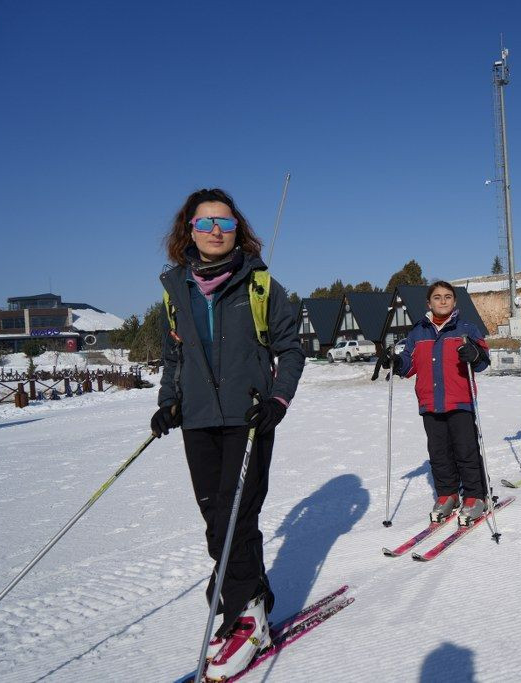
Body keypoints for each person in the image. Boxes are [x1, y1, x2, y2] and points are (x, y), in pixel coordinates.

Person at [150, 188, 305, 681]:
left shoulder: (260, 284)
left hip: (248, 416)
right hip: (197, 418)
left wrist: (278, 398)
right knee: (215, 516)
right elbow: (174, 356)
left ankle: (245, 611)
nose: (215, 230)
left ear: (238, 229)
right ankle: (244, 602)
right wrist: (168, 402)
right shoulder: (177, 291)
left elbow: (291, 347)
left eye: (224, 222)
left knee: (238, 511)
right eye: (204, 223)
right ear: (187, 231)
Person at [380, 281, 491, 526]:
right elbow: (410, 366)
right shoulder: (418, 332)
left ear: (454, 302)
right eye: (437, 297)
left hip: (460, 399)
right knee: (438, 452)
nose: (443, 301)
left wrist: (474, 354)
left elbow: (483, 361)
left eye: (448, 297)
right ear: (428, 303)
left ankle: (475, 495)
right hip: (430, 402)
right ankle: (447, 494)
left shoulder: (466, 329)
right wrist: (396, 362)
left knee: (466, 449)